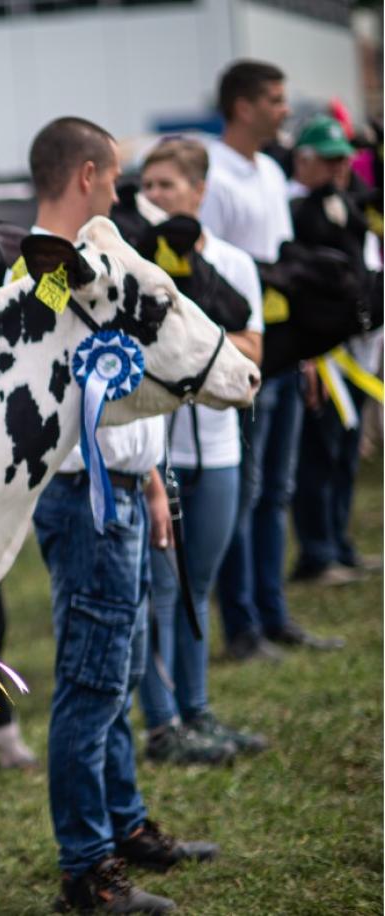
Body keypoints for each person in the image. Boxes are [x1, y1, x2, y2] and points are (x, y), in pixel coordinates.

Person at [24, 117, 216, 915]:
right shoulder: (41, 276)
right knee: (91, 681)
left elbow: (127, 384)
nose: (120, 189)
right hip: (84, 495)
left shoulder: (98, 262)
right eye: (112, 177)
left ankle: (123, 823)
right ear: (86, 175)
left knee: (119, 669)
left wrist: (153, 478)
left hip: (122, 488)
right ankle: (86, 868)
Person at [134, 138, 271, 765]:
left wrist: (200, 338)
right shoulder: (139, 264)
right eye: (149, 185)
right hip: (158, 448)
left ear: (199, 191)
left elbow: (253, 354)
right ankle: (162, 723)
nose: (155, 196)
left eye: (167, 185)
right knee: (161, 586)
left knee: (199, 584)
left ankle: (198, 708)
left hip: (216, 447)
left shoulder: (236, 265)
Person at [202, 61, 343, 661]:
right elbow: (210, 281)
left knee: (275, 490)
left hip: (284, 355)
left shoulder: (268, 173)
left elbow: (282, 267)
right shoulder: (215, 177)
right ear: (243, 106)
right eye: (277, 100)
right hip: (242, 359)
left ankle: (272, 612)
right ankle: (243, 625)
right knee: (246, 493)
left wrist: (305, 355)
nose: (286, 111)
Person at [290, 115, 382, 587]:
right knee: (318, 454)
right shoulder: (297, 209)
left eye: (344, 158)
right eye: (328, 160)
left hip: (355, 348)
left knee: (345, 451)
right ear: (304, 161)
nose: (339, 167)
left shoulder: (346, 202)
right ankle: (317, 551)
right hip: (319, 353)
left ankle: (339, 543)